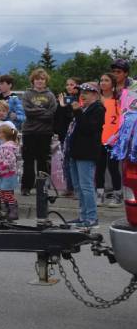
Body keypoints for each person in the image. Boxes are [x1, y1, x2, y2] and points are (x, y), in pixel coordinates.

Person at [65, 82, 105, 228]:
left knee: (86, 186)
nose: (83, 95)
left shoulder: (98, 109)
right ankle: (83, 216)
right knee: (78, 187)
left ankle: (92, 218)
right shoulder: (84, 108)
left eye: (87, 93)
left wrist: (77, 112)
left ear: (95, 94)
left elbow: (88, 128)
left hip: (86, 154)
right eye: (82, 92)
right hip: (76, 152)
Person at [20, 68, 57, 195]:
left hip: (45, 132)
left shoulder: (50, 95)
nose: (39, 81)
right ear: (33, 81)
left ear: (46, 81)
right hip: (29, 132)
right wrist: (43, 111)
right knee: (28, 161)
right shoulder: (27, 94)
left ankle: (42, 187)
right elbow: (27, 112)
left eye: (42, 79)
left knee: (43, 161)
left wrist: (36, 111)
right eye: (37, 79)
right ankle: (26, 187)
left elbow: (52, 113)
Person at [97, 72, 123, 207]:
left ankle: (117, 195)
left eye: (106, 80)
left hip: (113, 140)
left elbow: (122, 120)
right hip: (98, 139)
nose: (103, 82)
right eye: (101, 80)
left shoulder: (118, 100)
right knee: (99, 168)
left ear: (112, 83)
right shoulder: (95, 99)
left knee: (113, 168)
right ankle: (100, 195)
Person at [55, 77, 80, 197]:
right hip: (63, 134)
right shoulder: (64, 100)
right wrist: (61, 105)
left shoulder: (80, 99)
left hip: (75, 135)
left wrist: (64, 106)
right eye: (67, 84)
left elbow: (72, 116)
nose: (69, 87)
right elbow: (58, 118)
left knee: (73, 162)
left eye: (72, 84)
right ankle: (69, 187)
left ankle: (75, 188)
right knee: (65, 161)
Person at [0, 125, 21, 220]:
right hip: (3, 174)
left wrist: (2, 165)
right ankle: (6, 209)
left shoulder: (7, 147)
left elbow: (10, 159)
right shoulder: (4, 146)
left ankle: (13, 210)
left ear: (3, 134)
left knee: (7, 192)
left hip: (7, 174)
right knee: (1, 192)